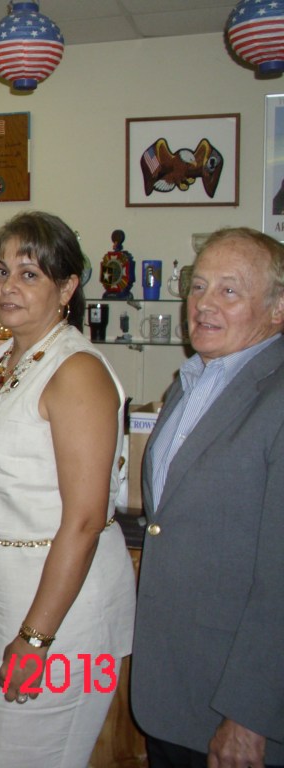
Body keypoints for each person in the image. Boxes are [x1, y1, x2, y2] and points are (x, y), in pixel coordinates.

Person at [0, 211, 135, 766]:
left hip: (58, 615)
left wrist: (35, 639)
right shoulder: (3, 359)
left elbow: (84, 517)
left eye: (29, 274)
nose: (7, 287)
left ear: (68, 287)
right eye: (2, 272)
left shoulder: (76, 370)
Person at [132, 227, 284, 768]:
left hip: (238, 703)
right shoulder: (192, 382)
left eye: (229, 290)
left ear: (277, 309)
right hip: (174, 688)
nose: (203, 304)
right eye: (198, 287)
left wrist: (251, 714)